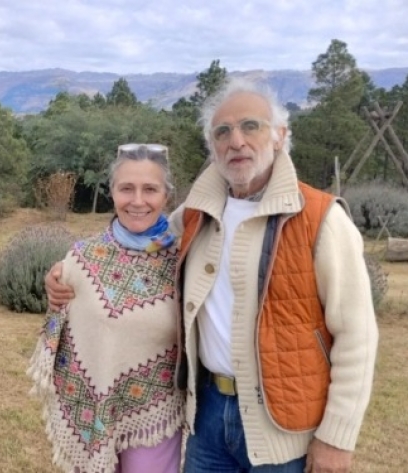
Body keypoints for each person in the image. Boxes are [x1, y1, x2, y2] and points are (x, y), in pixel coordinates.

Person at [45, 77, 378, 473]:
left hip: (283, 429)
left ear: (279, 136)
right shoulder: (193, 216)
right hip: (207, 420)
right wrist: (66, 274)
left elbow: (357, 335)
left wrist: (337, 438)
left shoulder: (321, 219)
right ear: (212, 145)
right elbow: (135, 241)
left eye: (250, 126)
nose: (236, 140)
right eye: (223, 131)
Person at [28, 143, 184, 473]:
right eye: (126, 188)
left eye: (150, 189)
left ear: (166, 196)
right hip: (93, 410)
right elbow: (64, 321)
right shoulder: (83, 258)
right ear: (112, 192)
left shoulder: (188, 258)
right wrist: (54, 282)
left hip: (156, 412)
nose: (137, 200)